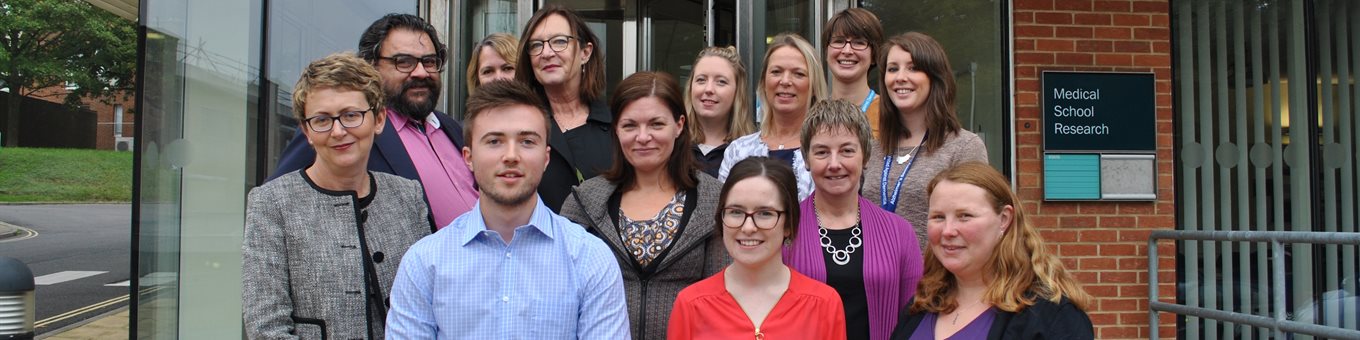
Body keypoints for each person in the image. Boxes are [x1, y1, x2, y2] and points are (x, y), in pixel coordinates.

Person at [385, 80, 630, 339]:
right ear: (468, 157)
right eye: (494, 141)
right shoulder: (424, 263)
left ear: (546, 158)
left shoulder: (589, 259)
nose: (511, 155)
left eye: (527, 141)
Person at [243, 53, 431, 340]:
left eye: (351, 115)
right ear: (306, 130)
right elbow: (267, 328)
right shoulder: (272, 204)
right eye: (321, 120)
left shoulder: (407, 195)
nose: (338, 131)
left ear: (378, 119)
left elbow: (428, 301)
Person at [560, 71, 727, 339]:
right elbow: (562, 294)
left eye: (656, 124)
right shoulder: (583, 201)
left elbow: (723, 298)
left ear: (679, 125)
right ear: (616, 129)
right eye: (630, 126)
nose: (643, 136)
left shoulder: (715, 201)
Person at [273, 14, 478, 229]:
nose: (420, 72)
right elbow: (284, 201)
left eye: (429, 62)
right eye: (404, 62)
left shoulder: (451, 128)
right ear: (372, 66)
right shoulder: (347, 128)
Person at [890, 162, 1094, 339]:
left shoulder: (1052, 316)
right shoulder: (921, 305)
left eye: (965, 216)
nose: (948, 230)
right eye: (938, 217)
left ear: (1004, 219)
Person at [784, 100, 924, 340]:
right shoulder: (784, 231)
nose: (834, 164)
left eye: (847, 150)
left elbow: (915, 319)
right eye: (822, 152)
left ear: (866, 156)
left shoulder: (899, 232)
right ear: (806, 159)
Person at [668, 157, 846, 340]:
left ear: (788, 224)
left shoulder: (823, 304)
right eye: (736, 212)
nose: (748, 228)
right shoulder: (691, 304)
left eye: (765, 214)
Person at [863, 32, 988, 251]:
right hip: (877, 280)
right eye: (893, 69)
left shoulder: (964, 147)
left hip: (934, 280)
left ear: (934, 77)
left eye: (913, 68)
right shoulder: (874, 148)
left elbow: (974, 224)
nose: (900, 77)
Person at [514, 5, 614, 212]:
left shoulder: (618, 124)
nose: (547, 53)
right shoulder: (518, 126)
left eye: (560, 41)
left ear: (585, 52)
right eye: (536, 45)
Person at [717, 33, 828, 201]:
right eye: (776, 72)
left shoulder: (828, 151)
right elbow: (724, 215)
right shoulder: (738, 151)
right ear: (763, 82)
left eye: (798, 74)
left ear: (813, 85)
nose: (785, 81)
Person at [684, 46, 755, 178]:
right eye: (701, 80)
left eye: (721, 82)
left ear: (737, 92)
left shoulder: (750, 151)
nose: (709, 89)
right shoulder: (672, 145)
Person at [822, 8, 885, 137]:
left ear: (874, 55)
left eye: (859, 43)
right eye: (838, 41)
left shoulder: (888, 114)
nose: (847, 50)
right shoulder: (813, 114)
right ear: (826, 51)